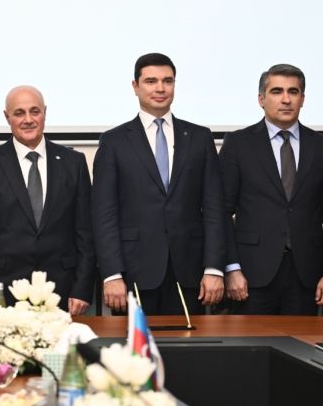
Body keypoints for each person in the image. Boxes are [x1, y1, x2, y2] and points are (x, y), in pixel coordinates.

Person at [92, 53, 225, 315]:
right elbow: (103, 214)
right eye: (151, 81)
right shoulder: (113, 141)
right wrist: (112, 274)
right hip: (134, 272)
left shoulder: (200, 137)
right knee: (136, 344)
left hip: (190, 273)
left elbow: (214, 209)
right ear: (135, 86)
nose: (160, 88)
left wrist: (214, 269)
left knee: (191, 342)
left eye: (168, 81)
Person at [219, 64, 323, 314]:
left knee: (302, 340)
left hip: (307, 276)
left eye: (293, 92)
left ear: (302, 99)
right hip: (250, 275)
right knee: (250, 340)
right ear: (261, 99)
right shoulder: (238, 144)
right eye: (277, 91)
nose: (286, 99)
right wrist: (231, 268)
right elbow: (221, 212)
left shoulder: (322, 146)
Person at [0, 85, 95, 316]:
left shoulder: (73, 163)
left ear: (45, 113)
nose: (28, 120)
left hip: (62, 292)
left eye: (35, 111)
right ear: (7, 117)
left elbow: (85, 232)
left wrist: (82, 289)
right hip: (5, 294)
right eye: (19, 113)